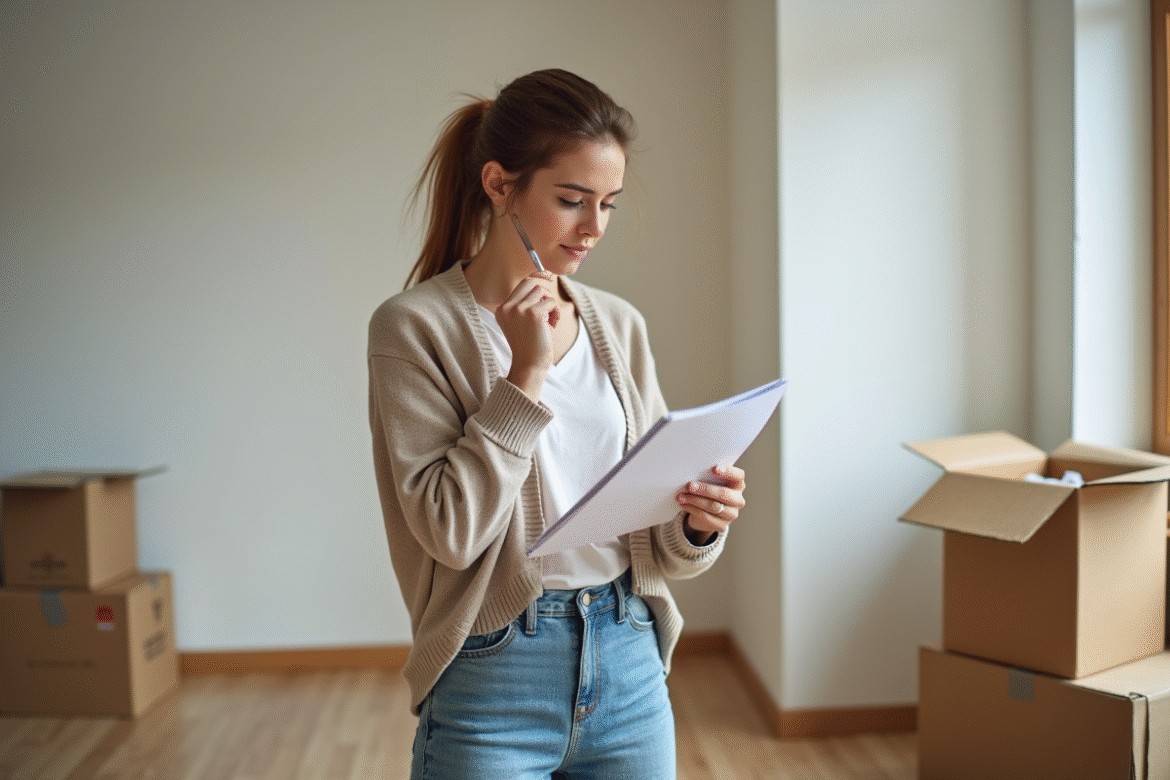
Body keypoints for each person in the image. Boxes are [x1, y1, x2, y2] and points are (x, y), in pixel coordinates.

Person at [367, 68, 747, 780]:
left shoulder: (620, 326)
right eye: (571, 200)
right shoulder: (413, 327)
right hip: (493, 673)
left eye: (608, 203)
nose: (595, 227)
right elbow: (450, 533)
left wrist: (699, 521)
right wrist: (525, 375)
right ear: (499, 184)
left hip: (630, 657)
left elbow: (659, 543)